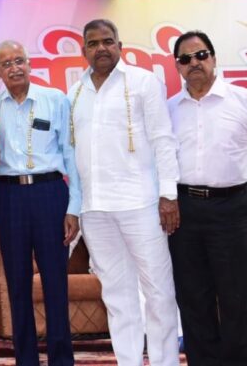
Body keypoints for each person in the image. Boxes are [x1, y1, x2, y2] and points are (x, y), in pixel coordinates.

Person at [67, 19, 180, 366]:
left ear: (120, 45)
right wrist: (75, 208)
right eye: (93, 43)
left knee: (158, 292)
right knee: (117, 295)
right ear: (84, 50)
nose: (101, 48)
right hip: (95, 209)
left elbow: (163, 140)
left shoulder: (144, 82)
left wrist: (169, 195)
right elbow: (73, 155)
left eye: (107, 41)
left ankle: (164, 362)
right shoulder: (74, 93)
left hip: (141, 204)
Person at [166, 31, 247, 365]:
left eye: (201, 55)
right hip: (184, 209)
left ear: (214, 58)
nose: (194, 63)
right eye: (185, 58)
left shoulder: (245, 101)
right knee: (193, 296)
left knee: (238, 296)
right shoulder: (169, 109)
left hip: (232, 206)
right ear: (177, 66)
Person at [0, 41, 78, 366]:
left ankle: (61, 360)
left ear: (29, 63)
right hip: (9, 197)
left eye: (19, 60)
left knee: (55, 282)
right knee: (17, 284)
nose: (14, 68)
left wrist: (73, 207)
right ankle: (26, 360)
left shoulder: (55, 99)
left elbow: (71, 154)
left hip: (50, 193)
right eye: (6, 63)